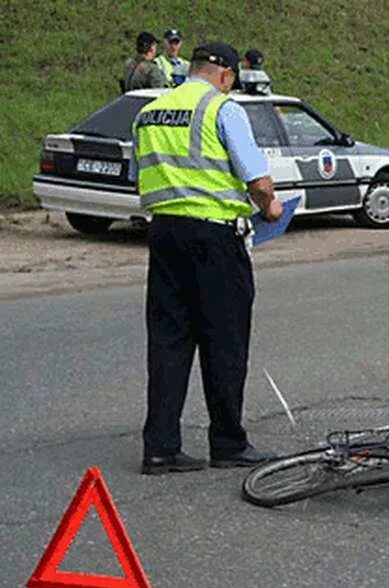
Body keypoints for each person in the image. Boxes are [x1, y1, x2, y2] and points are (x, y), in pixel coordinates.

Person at [131, 41, 283, 475]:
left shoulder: (150, 113)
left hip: (163, 233)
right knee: (225, 340)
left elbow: (139, 175)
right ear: (226, 76)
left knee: (168, 341)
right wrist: (270, 207)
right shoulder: (222, 109)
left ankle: (160, 448)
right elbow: (257, 179)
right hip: (215, 237)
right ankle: (228, 442)